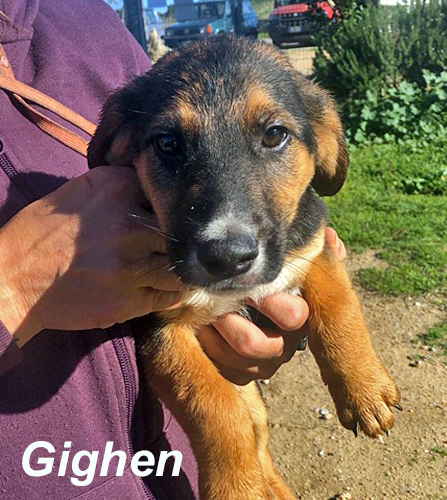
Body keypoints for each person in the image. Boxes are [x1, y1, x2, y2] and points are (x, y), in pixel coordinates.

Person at [0, 1, 347, 499]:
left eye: (274, 135)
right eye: (170, 146)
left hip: (167, 465)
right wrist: (13, 287)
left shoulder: (86, 19)